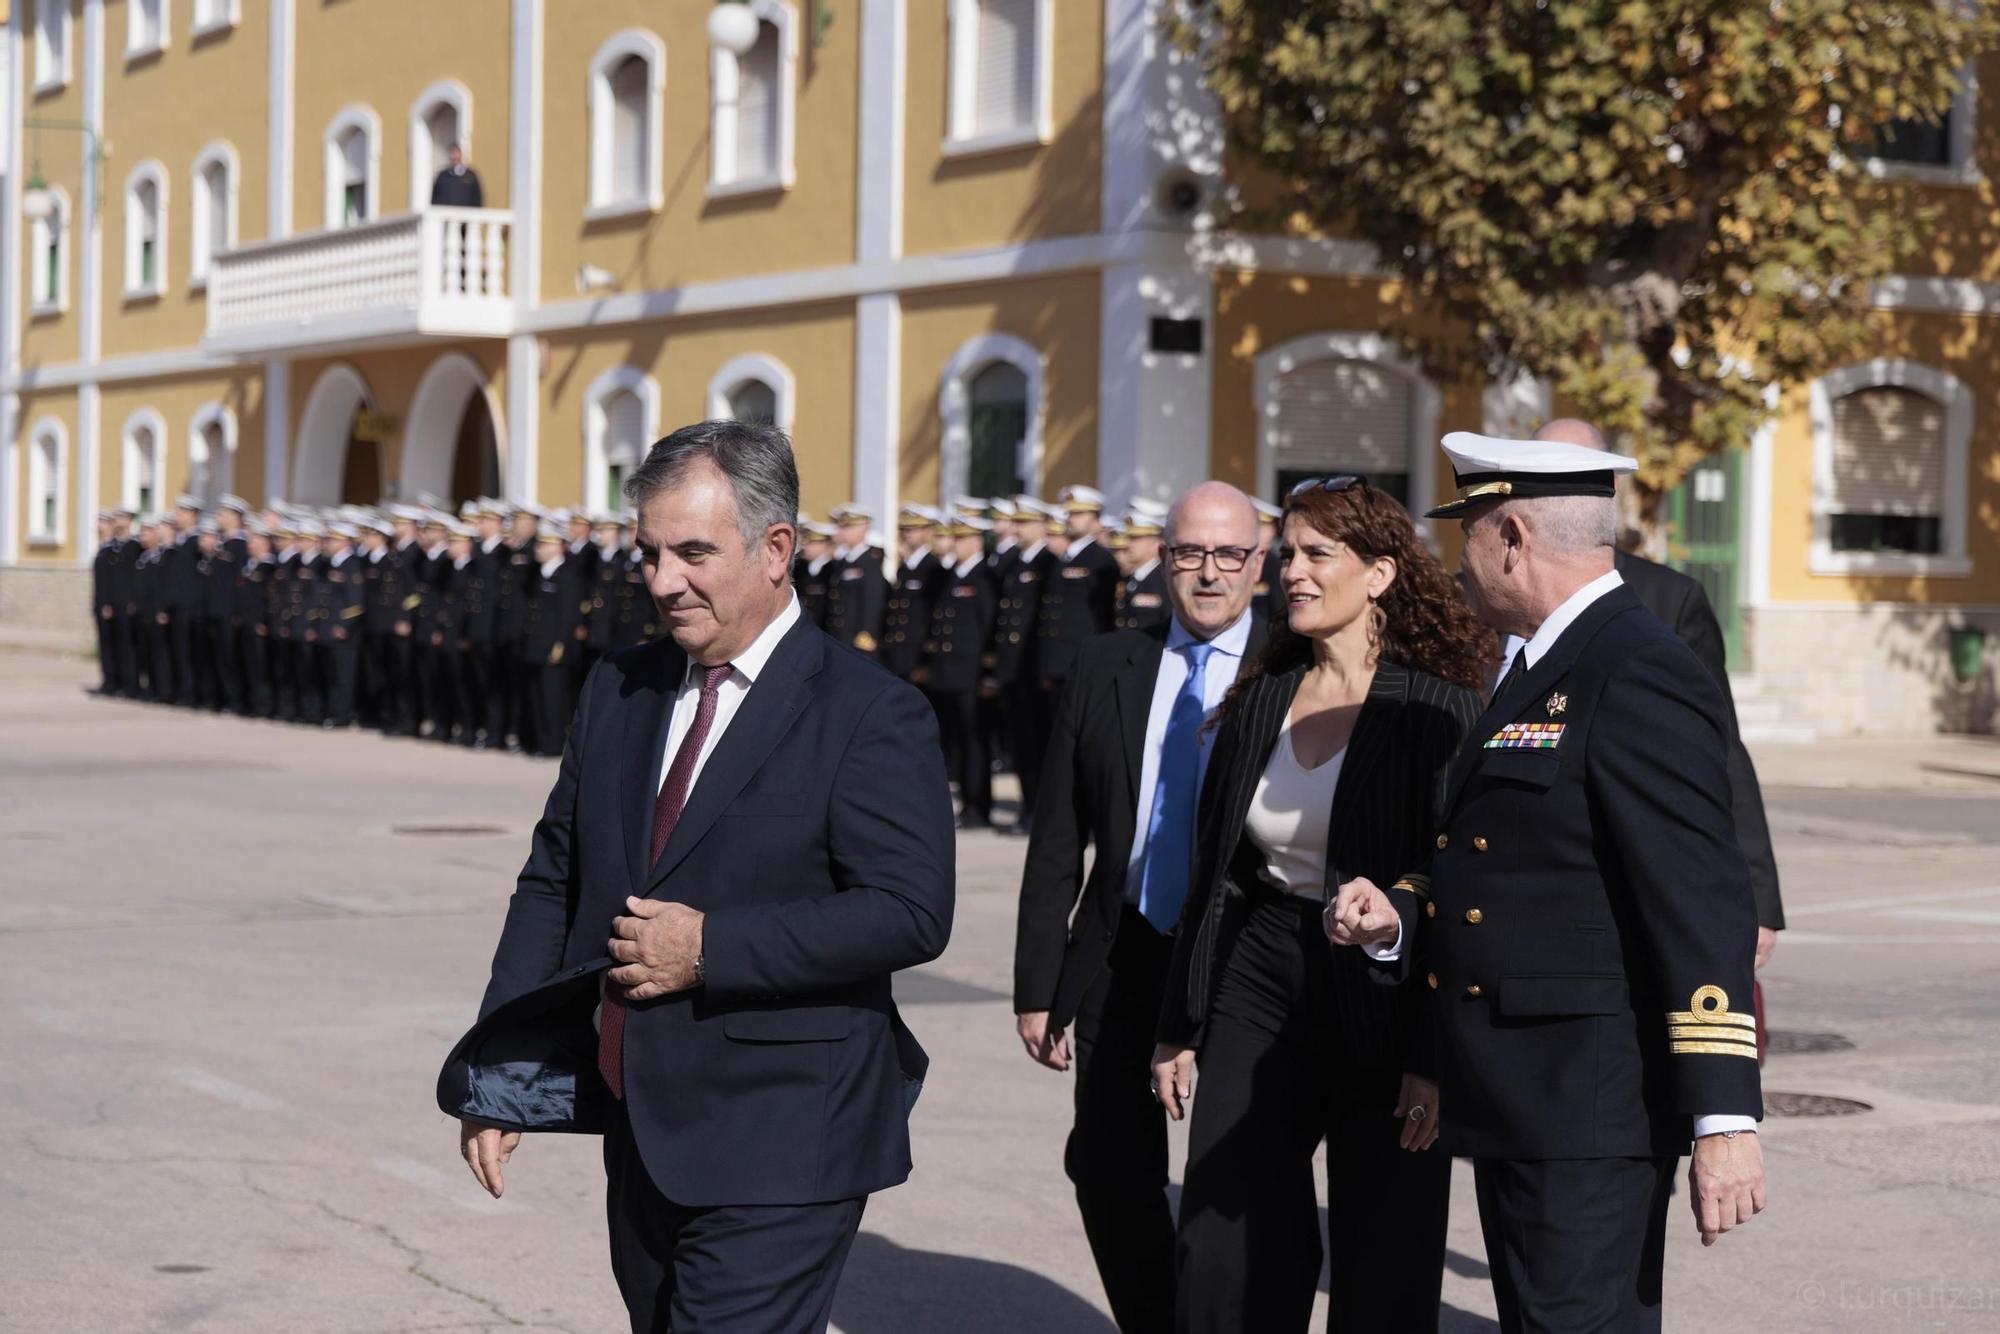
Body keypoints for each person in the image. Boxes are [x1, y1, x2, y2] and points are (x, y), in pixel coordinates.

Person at [455, 419, 953, 1333]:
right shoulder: (622, 687)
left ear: (775, 550)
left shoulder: (870, 711)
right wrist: (500, 1066)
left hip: (788, 1131)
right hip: (642, 1122)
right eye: (647, 554)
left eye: (692, 553)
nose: (661, 581)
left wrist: (711, 948)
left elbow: (910, 912)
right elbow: (554, 875)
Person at [1328, 432, 1768, 1333]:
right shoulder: (1534, 665)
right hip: (1523, 1099)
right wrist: (1403, 919)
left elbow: (1700, 900)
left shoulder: (1634, 666)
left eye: (1469, 538)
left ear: (1513, 537)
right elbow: (1504, 861)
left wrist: (1724, 1119)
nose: (1462, 564)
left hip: (1586, 1112)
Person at [1150, 476, 1489, 1333]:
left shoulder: (1437, 708)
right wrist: (1181, 1021)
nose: (1291, 572)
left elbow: (1457, 892)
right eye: (1288, 554)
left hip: (1388, 992)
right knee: (1224, 1235)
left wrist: (1432, 1057)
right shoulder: (1265, 691)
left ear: (1378, 574)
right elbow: (1219, 874)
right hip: (1262, 975)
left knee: (1385, 1256)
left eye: (1316, 555)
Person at [1013, 482, 1268, 1331]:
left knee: (1222, 1188)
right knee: (1108, 1169)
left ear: (1258, 566)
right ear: (1163, 561)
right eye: (1190, 553)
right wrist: (1037, 980)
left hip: (1238, 963)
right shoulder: (1106, 662)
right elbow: (1058, 833)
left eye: (1229, 555)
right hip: (1123, 951)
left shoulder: (1290, 667)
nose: (1208, 573)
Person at [1530, 418, 1786, 969]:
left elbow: (1721, 750)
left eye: (1578, 475)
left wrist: (1757, 895)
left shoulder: (1668, 601)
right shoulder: (1476, 595)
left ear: (1613, 489)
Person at [926, 513, 999, 829]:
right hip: (948, 673)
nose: (952, 544)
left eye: (958, 538)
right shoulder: (952, 576)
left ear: (973, 541)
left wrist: (988, 672)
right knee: (954, 741)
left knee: (974, 741)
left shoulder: (985, 577)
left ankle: (978, 806)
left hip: (971, 675)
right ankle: (966, 803)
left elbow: (990, 628)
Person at [429, 143, 484, 208]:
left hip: (466, 215)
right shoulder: (443, 176)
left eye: (456, 153)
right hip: (446, 214)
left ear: (461, 155)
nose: (454, 156)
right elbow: (435, 198)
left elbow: (477, 198)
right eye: (452, 154)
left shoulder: (470, 175)